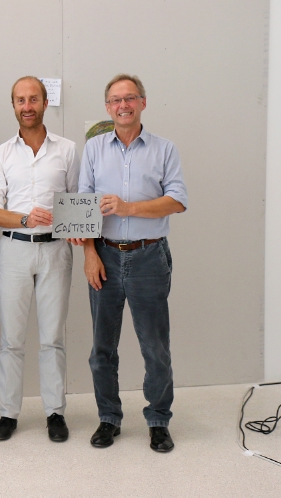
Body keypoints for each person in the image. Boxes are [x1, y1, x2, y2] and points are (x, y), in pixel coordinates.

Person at [72, 74, 187, 453]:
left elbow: (177, 200)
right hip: (103, 255)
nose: (123, 105)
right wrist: (89, 254)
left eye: (130, 98)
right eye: (116, 100)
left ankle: (158, 420)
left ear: (142, 103)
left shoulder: (165, 149)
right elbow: (83, 202)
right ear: (108, 107)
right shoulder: (93, 148)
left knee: (155, 347)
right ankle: (109, 418)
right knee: (101, 349)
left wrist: (128, 208)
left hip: (149, 256)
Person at [0, 76, 80, 442]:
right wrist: (24, 219)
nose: (27, 106)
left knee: (53, 337)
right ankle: (8, 413)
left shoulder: (67, 150)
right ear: (14, 105)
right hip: (15, 250)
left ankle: (55, 413)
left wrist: (76, 227)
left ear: (44, 102)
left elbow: (77, 199)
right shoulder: (2, 154)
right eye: (20, 100)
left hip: (56, 250)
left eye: (33, 99)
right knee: (11, 339)